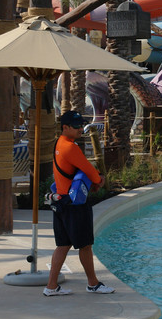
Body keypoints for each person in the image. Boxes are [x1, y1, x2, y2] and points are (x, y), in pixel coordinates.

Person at [43, 111, 114, 297]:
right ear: (65, 127)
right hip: (74, 204)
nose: (79, 129)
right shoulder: (70, 147)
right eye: (75, 126)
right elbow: (89, 170)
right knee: (85, 245)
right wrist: (99, 180)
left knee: (63, 245)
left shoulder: (59, 143)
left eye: (80, 125)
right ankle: (93, 284)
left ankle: (51, 286)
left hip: (60, 201)